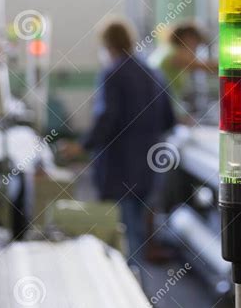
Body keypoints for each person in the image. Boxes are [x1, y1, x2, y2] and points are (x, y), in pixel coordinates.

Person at [64, 18, 175, 271]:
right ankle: (141, 291)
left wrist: (82, 146)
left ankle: (128, 293)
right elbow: (169, 119)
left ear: (107, 44)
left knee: (121, 234)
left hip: (120, 166)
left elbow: (107, 119)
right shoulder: (153, 72)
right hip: (149, 166)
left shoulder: (112, 74)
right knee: (138, 230)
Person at [149, 20, 217, 118]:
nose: (196, 48)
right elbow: (207, 67)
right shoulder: (177, 54)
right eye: (196, 43)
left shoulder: (168, 50)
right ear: (188, 38)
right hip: (159, 109)